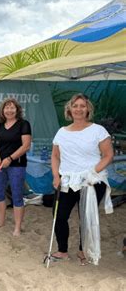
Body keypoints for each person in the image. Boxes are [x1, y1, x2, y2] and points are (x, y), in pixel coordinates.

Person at [50, 93, 114, 265]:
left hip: (91, 181)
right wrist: (56, 176)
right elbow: (55, 156)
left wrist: (91, 173)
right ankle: (62, 250)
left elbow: (108, 155)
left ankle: (82, 250)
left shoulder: (98, 130)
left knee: (86, 217)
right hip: (67, 181)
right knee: (59, 215)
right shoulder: (61, 132)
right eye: (75, 106)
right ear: (69, 110)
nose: (79, 109)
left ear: (88, 109)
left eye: (82, 106)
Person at [0, 98, 31, 236]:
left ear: (17, 110)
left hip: (17, 165)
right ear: (2, 110)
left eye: (12, 107)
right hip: (1, 165)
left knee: (17, 194)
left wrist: (10, 158)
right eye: (6, 108)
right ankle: (1, 221)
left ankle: (17, 227)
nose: (9, 110)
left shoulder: (23, 124)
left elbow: (26, 145)